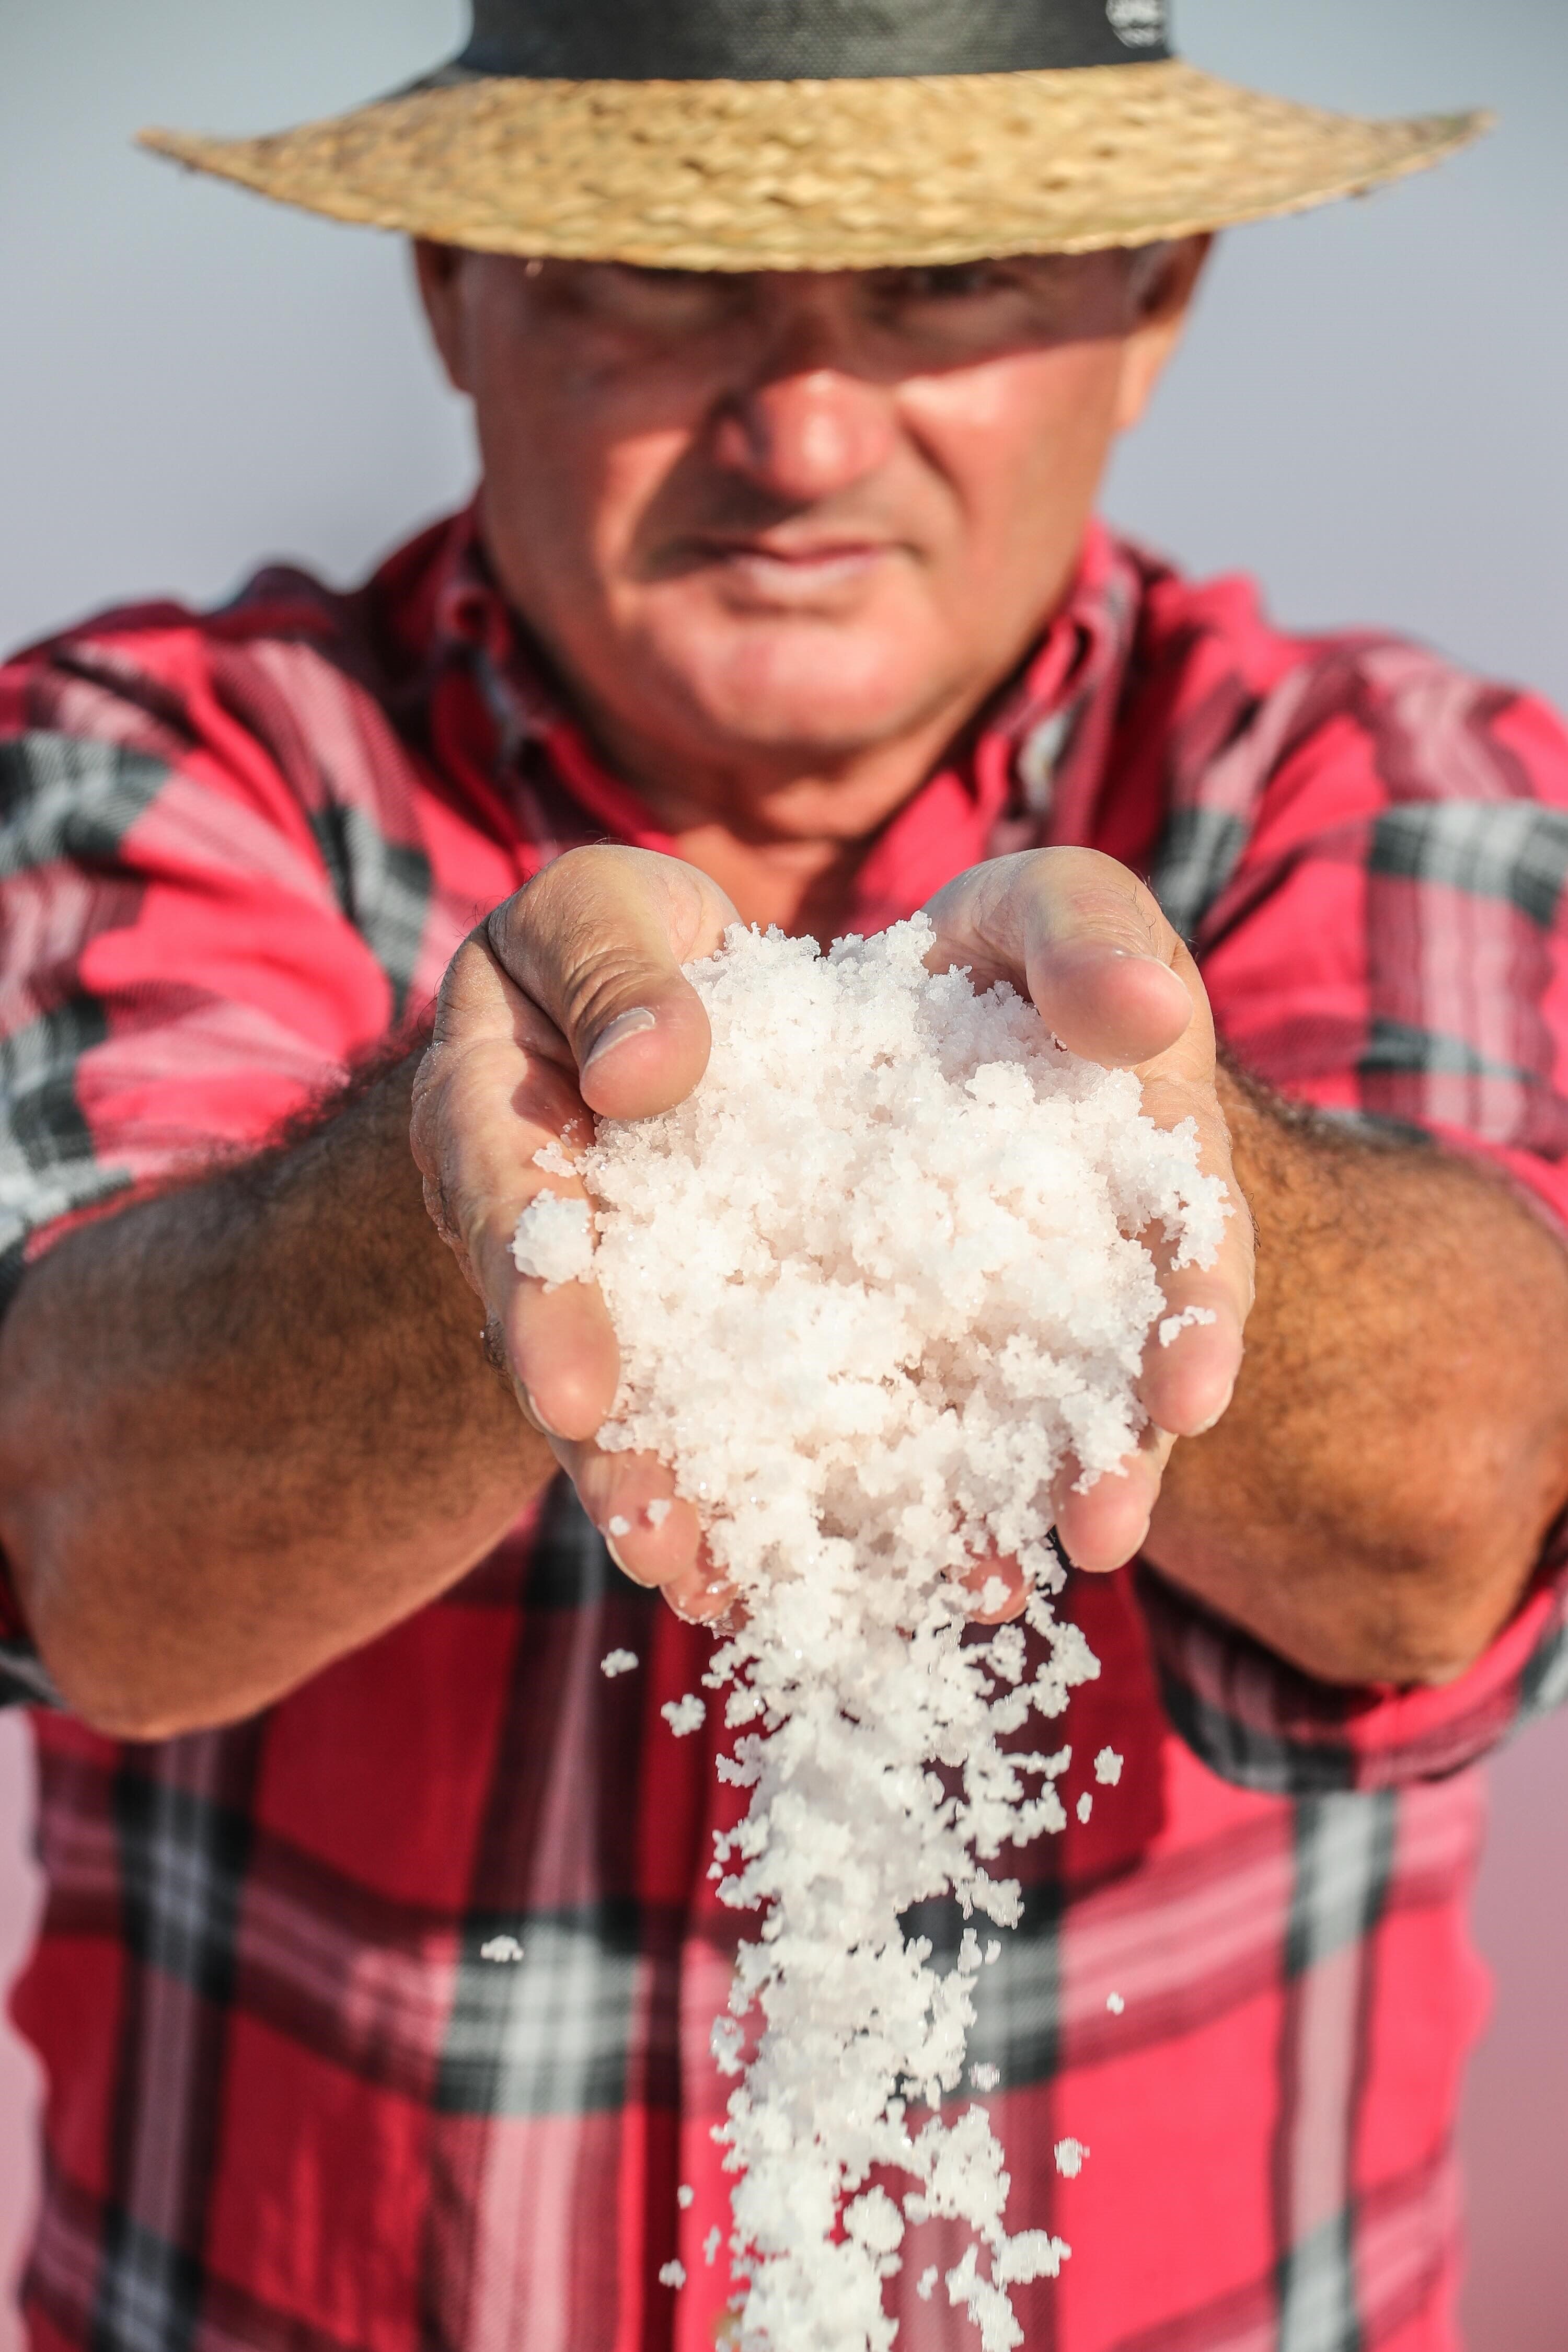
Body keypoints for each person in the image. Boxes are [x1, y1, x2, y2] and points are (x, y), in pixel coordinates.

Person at [2, 2, 1567, 2346]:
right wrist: (498, 1200)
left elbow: (1458, 1512)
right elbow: (89, 1535)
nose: (801, 427)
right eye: (660, 276)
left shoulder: (1378, 777)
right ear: (455, 277)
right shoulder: (177, 762)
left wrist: (1157, 1164)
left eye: (945, 287)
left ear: (1151, 301)